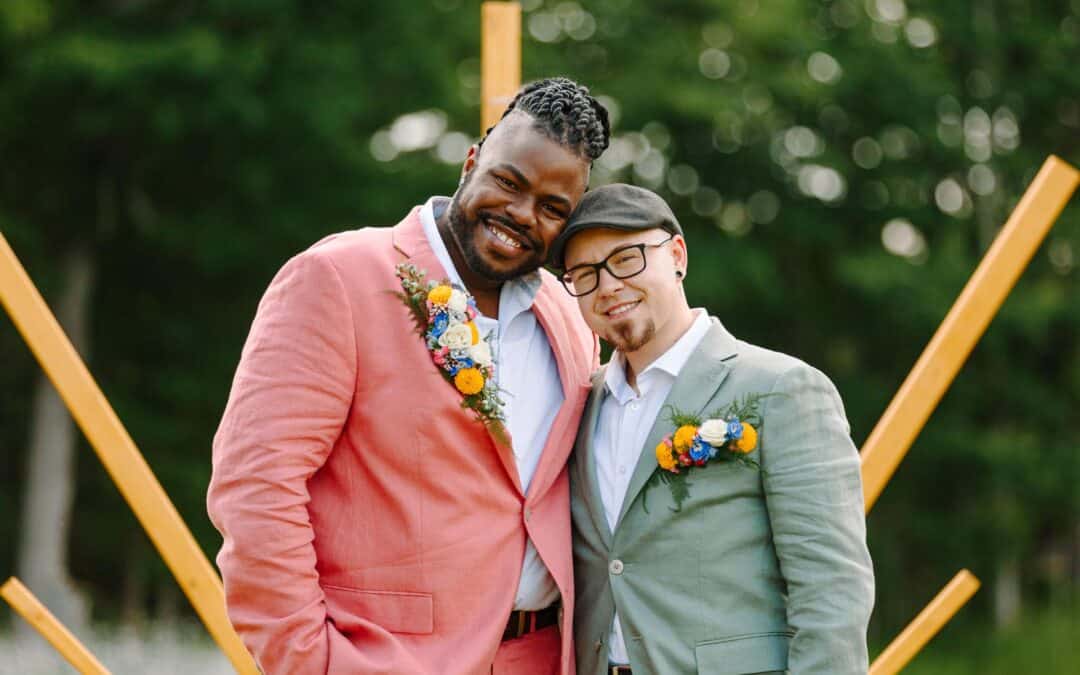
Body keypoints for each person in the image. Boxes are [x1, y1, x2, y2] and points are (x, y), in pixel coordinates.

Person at [207, 77, 610, 675]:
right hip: (388, 659)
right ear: (472, 161)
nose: (522, 216)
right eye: (508, 182)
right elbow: (257, 487)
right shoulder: (338, 278)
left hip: (544, 658)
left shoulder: (569, 316)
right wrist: (311, 661)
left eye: (553, 209)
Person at [550, 184, 875, 675]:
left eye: (626, 258)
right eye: (586, 274)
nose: (608, 285)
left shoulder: (782, 388)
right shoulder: (579, 403)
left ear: (677, 256)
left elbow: (832, 588)